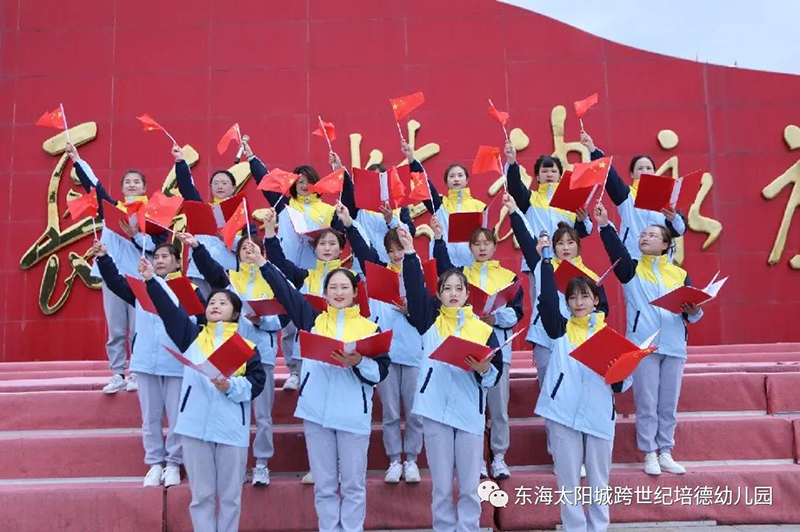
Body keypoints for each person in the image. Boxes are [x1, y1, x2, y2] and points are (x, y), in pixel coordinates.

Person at [258, 254, 391, 532]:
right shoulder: (313, 320)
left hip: (354, 415)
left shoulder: (370, 329)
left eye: (345, 287)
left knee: (353, 485)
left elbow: (380, 372)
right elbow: (286, 293)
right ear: (325, 292)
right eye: (333, 287)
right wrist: (263, 264)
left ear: (355, 292)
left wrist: (358, 363)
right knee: (325, 484)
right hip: (317, 412)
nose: (339, 292)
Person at [399, 227, 503, 532]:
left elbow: (493, 377)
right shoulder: (428, 322)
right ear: (440, 295)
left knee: (470, 486)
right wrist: (409, 254)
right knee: (442, 487)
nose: (453, 293)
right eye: (447, 288)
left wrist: (484, 370)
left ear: (468, 294)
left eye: (459, 288)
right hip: (434, 411)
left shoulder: (482, 330)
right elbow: (416, 292)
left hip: (469, 414)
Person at [147, 270, 265, 532]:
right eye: (212, 302)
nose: (215, 306)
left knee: (230, 497)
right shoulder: (193, 338)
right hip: (194, 427)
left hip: (231, 429)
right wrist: (150, 281)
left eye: (223, 303)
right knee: (201, 497)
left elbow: (257, 383)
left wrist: (230, 386)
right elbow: (169, 311)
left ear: (235, 314)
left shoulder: (246, 347)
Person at [596, 202, 703, 476]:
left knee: (668, 404)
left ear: (666, 245)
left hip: (675, 346)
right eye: (643, 234)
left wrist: (694, 311)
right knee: (647, 403)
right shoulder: (631, 270)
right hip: (644, 347)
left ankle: (666, 451)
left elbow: (693, 311)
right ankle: (649, 453)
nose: (645, 237)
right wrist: (606, 224)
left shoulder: (679, 274)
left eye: (652, 235)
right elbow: (615, 251)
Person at [535, 246, 632, 532]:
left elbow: (621, 383)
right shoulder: (559, 330)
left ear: (596, 300)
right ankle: (574, 528)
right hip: (563, 413)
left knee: (599, 480)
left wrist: (620, 373)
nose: (578, 302)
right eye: (573, 297)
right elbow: (546, 301)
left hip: (599, 415)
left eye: (584, 296)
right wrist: (544, 261)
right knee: (568, 480)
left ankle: (598, 527)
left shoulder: (608, 336)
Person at [176, 232, 283, 487]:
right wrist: (198, 248)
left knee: (263, 413)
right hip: (229, 354)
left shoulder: (271, 280)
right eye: (244, 248)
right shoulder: (231, 281)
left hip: (260, 354)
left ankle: (262, 463)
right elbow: (211, 272)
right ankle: (239, 462)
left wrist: (263, 320)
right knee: (236, 409)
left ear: (261, 253)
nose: (248, 251)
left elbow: (285, 316)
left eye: (253, 248)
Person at [429, 215, 524, 480]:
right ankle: (478, 458)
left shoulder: (508, 277)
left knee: (498, 407)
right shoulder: (462, 276)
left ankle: (499, 456)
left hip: (496, 351)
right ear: (469, 248)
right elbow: (443, 274)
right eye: (476, 244)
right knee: (473, 407)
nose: (482, 248)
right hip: (465, 349)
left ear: (495, 246)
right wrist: (438, 239)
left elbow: (518, 313)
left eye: (487, 243)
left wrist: (495, 318)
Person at [93, 242, 194, 488]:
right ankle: (155, 463)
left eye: (166, 256)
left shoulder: (187, 288)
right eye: (156, 256)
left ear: (178, 262)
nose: (159, 260)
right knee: (150, 417)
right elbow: (116, 283)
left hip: (176, 363)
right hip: (145, 361)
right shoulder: (141, 288)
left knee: (177, 416)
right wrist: (105, 258)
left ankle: (173, 463)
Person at [245, 140, 342, 394]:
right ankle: (295, 371)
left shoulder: (328, 210)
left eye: (308, 181)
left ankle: (327, 365)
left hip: (317, 275)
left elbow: (341, 235)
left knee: (320, 324)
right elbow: (266, 183)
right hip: (289, 272)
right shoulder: (285, 207)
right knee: (289, 326)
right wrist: (252, 157)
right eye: (300, 182)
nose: (304, 186)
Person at [336, 203, 424, 484]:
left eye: (400, 248)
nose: (397, 254)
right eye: (392, 250)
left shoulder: (417, 270)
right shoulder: (377, 272)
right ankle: (394, 460)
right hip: (385, 351)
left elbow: (429, 308)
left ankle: (411, 459)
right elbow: (361, 247)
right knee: (388, 411)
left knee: (413, 410)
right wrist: (349, 223)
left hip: (412, 350)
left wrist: (411, 309)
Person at [66, 142, 161, 394]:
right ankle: (117, 372)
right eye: (127, 182)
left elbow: (158, 244)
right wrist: (77, 160)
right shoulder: (111, 210)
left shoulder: (152, 214)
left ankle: (137, 373)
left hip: (139, 276)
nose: (132, 185)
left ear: (144, 187)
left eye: (136, 182)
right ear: (121, 188)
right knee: (117, 328)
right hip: (112, 275)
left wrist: (135, 236)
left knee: (139, 328)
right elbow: (94, 186)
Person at [580, 131, 686, 261]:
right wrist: (592, 149)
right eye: (640, 168)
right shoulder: (627, 196)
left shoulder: (667, 198)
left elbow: (679, 231)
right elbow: (609, 174)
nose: (645, 171)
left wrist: (674, 218)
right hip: (634, 257)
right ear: (631, 174)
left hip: (662, 262)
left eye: (648, 168)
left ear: (655, 172)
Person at [171, 145, 251, 298]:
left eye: (224, 183)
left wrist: (228, 238)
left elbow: (250, 245)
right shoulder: (202, 209)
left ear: (234, 187)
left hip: (228, 274)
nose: (220, 186)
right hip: (199, 271)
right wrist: (180, 161)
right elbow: (186, 187)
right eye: (216, 183)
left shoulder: (242, 213)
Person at [334, 148, 416, 273]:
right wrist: (340, 169)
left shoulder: (399, 207)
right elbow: (348, 190)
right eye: (371, 179)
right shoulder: (358, 207)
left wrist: (390, 220)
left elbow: (410, 233)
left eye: (379, 179)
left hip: (396, 268)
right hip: (364, 270)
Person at [405, 141, 486, 268]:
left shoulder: (480, 207)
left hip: (472, 266)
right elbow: (424, 185)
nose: (456, 179)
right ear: (446, 181)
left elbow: (486, 238)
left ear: (467, 179)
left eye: (460, 175)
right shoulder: (440, 204)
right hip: (446, 264)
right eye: (452, 176)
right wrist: (411, 160)